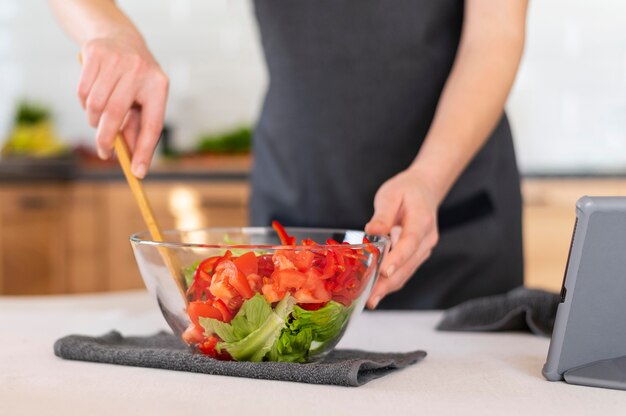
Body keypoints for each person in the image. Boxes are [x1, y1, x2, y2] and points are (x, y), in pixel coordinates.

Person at [49, 0, 528, 310]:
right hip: (292, 206)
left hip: (453, 215)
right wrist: (108, 30)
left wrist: (429, 177)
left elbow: (496, 32)